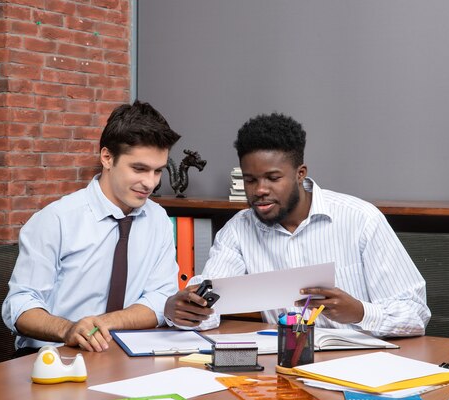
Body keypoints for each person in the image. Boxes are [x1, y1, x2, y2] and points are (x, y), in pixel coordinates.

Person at [164, 112, 431, 336]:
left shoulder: (361, 219)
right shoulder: (238, 229)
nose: (259, 190)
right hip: (283, 366)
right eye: (250, 180)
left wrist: (359, 312)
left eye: (272, 178)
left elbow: (416, 314)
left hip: (361, 366)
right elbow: (210, 305)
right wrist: (183, 310)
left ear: (300, 173)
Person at [3, 100, 181, 354]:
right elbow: (19, 306)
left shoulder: (158, 220)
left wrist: (103, 324)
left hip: (121, 354)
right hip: (55, 355)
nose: (149, 183)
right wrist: (69, 329)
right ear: (107, 158)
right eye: (139, 169)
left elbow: (160, 298)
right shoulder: (57, 219)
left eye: (157, 171)